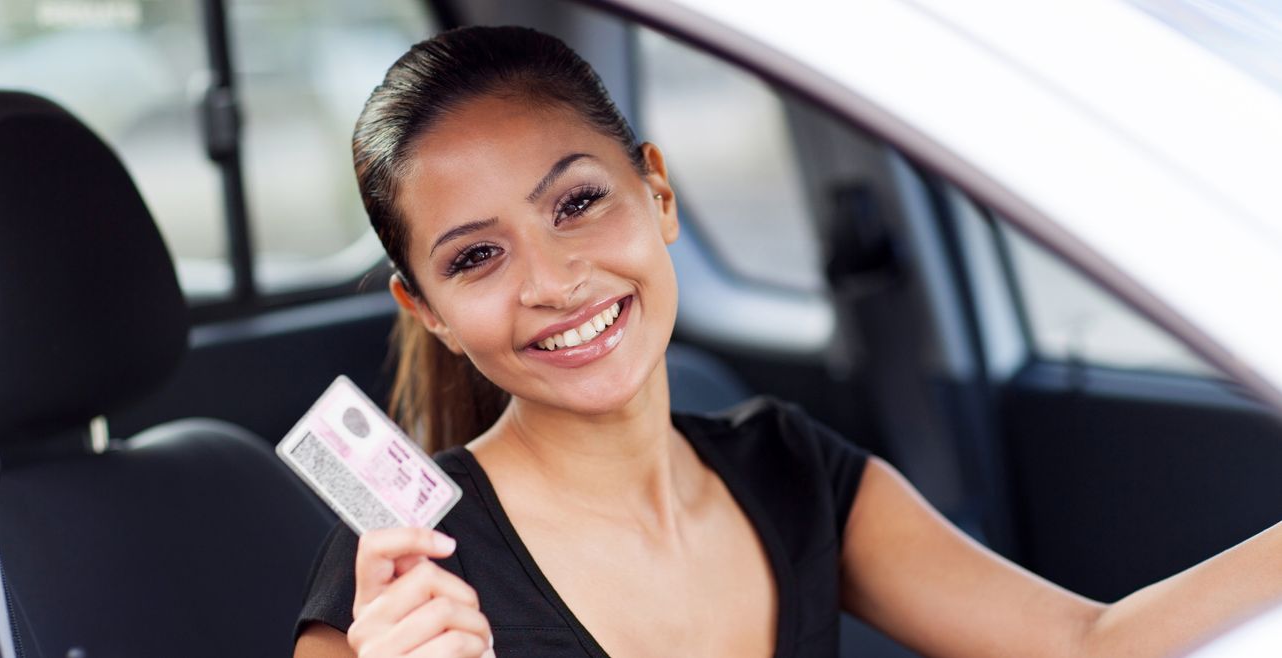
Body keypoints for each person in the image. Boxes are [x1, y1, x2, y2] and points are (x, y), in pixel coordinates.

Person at [293, 25, 1282, 658]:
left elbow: (1085, 644)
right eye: (476, 259)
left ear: (660, 193)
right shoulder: (402, 576)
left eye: (580, 203)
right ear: (426, 311)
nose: (552, 282)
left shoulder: (795, 469)